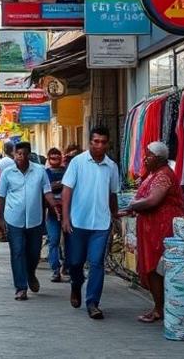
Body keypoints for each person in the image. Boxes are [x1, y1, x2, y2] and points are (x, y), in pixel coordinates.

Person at [120, 141, 184, 324]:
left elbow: (152, 201)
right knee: (152, 266)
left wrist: (133, 205)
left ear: (158, 158)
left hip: (161, 227)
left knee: (155, 267)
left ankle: (159, 308)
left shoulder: (163, 175)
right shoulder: (154, 174)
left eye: (148, 156)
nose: (144, 159)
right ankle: (159, 306)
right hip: (151, 226)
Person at [62, 126, 120, 320]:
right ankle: (76, 285)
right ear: (90, 142)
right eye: (96, 141)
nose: (99, 145)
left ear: (108, 143)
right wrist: (66, 217)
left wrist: (115, 216)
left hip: (101, 224)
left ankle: (93, 302)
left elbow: (112, 194)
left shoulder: (111, 166)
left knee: (96, 263)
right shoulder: (77, 163)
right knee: (76, 262)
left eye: (103, 142)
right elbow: (67, 191)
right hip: (78, 221)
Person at [0, 142, 59, 301]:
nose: (21, 157)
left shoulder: (39, 171)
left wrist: (54, 206)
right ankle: (21, 287)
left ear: (29, 154)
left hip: (35, 220)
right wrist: (1, 218)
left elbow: (47, 191)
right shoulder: (7, 173)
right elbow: (0, 196)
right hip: (13, 219)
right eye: (18, 154)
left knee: (33, 253)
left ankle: (31, 273)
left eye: (24, 154)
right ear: (14, 154)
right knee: (17, 252)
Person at [43, 147, 67, 281]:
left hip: (67, 212)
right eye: (52, 158)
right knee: (54, 240)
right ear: (48, 158)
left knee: (69, 242)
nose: (55, 161)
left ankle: (66, 267)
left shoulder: (67, 172)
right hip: (52, 213)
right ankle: (55, 269)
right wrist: (59, 185)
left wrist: (55, 186)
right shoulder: (45, 173)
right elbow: (45, 189)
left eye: (58, 158)